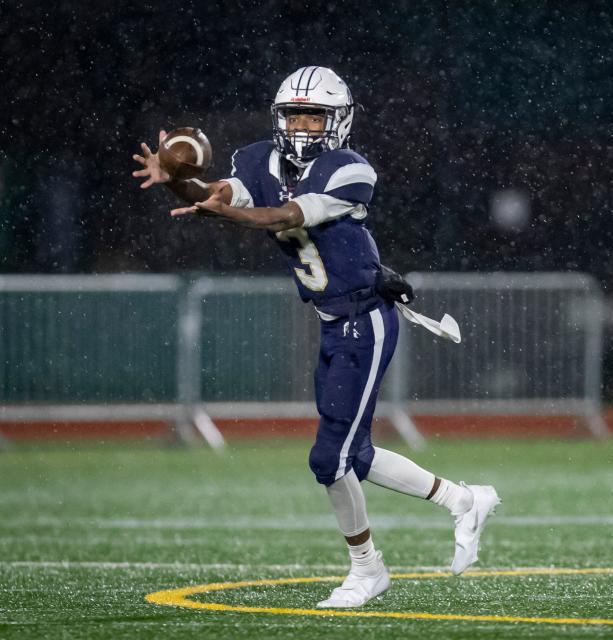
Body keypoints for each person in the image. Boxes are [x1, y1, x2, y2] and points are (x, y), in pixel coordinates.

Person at [132, 66, 500, 608]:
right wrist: (177, 176)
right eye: (294, 115)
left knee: (329, 459)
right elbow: (216, 192)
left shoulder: (350, 170)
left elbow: (280, 215)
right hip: (332, 322)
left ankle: (367, 569)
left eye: (314, 115)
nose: (303, 126)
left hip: (366, 319)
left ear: (339, 121)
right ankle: (464, 499)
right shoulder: (260, 158)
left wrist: (223, 209)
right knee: (357, 451)